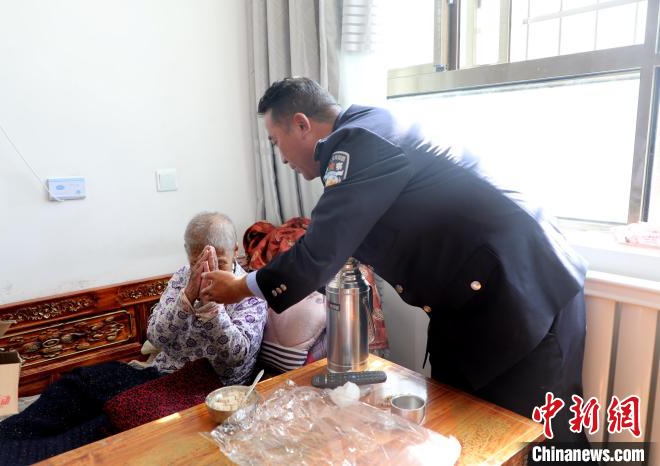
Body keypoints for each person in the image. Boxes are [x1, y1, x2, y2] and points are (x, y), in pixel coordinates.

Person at [202, 77, 589, 444]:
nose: (282, 158)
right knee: (464, 430)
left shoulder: (357, 142)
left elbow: (321, 249)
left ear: (302, 124)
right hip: (477, 302)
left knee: (534, 440)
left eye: (276, 141)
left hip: (521, 294)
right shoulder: (372, 129)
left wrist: (241, 287)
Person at [148, 211, 267, 386]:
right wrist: (187, 297)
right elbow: (155, 337)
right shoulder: (182, 276)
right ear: (187, 252)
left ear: (235, 250)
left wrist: (211, 308)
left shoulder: (249, 290)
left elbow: (237, 357)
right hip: (165, 375)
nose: (209, 273)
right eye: (197, 264)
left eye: (220, 264)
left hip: (215, 387)